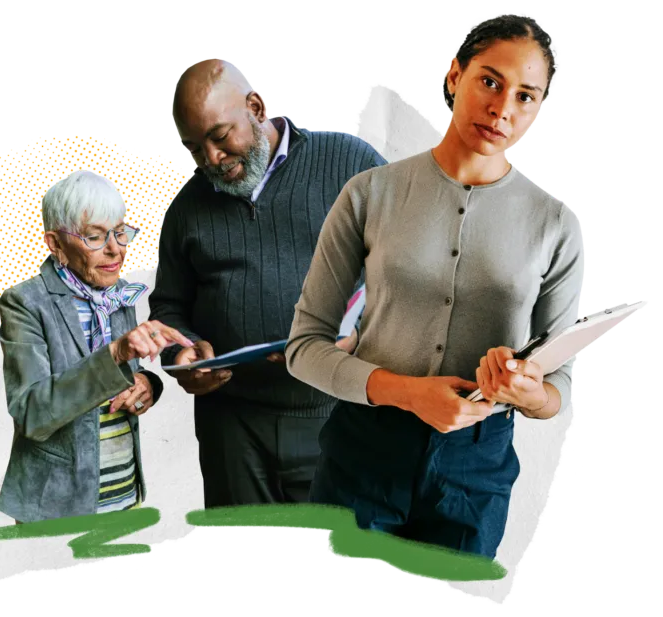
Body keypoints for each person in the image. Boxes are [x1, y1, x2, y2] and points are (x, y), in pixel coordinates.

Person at [285, 13, 582, 559]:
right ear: (454, 75)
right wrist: (406, 392)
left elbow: (560, 383)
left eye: (524, 96)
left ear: (538, 109)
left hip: (475, 474)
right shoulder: (369, 193)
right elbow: (303, 348)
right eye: (489, 81)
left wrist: (530, 393)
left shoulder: (555, 223)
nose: (501, 108)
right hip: (362, 456)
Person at [147, 58, 388, 508]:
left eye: (220, 137)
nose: (212, 160)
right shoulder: (185, 206)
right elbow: (168, 310)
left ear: (256, 107)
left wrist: (363, 335)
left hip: (339, 416)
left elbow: (413, 269)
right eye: (195, 149)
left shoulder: (349, 162)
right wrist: (182, 351)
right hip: (231, 432)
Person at [0, 169, 194, 523]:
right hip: (57, 510)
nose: (115, 249)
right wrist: (115, 353)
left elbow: (125, 376)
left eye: (120, 233)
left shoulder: (117, 294)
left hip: (124, 495)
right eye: (94, 237)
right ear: (55, 244)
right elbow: (32, 414)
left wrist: (150, 384)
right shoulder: (25, 302)